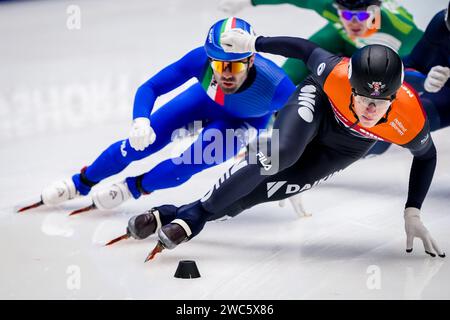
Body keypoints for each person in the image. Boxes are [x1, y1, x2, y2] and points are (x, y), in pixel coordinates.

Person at [118, 29, 445, 261]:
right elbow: (304, 49)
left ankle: (174, 214)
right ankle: (197, 219)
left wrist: (412, 209)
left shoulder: (410, 120)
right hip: (319, 105)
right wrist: (256, 43)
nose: (370, 110)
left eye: (381, 101)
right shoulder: (336, 72)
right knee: (278, 156)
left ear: (395, 95)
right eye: (362, 98)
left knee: (267, 190)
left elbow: (426, 157)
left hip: (347, 146)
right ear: (351, 86)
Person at [19, 18, 295, 214]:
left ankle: (133, 188)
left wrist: (289, 168)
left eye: (233, 67)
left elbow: (305, 125)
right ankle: (81, 183)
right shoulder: (200, 59)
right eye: (219, 65)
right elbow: (151, 87)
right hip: (202, 103)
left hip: (242, 123)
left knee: (187, 164)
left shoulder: (277, 86)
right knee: (137, 146)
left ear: (250, 60)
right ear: (209, 59)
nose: (224, 74)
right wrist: (140, 119)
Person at [218, 0, 423, 85]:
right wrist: (248, 1)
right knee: (294, 67)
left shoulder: (400, 30)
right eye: (345, 14)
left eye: (360, 17)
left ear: (374, 12)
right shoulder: (328, 6)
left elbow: (427, 52)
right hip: (338, 38)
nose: (352, 23)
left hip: (377, 50)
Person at [367, 2, 450, 156]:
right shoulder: (441, 25)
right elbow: (412, 64)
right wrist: (423, 81)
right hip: (443, 87)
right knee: (388, 124)